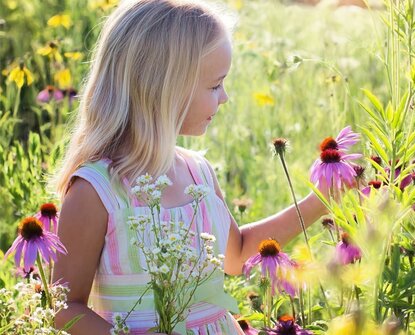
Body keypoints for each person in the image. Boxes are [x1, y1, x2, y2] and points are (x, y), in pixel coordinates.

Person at [51, 0, 330, 334]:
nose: (224, 97)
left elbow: (237, 255)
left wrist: (321, 199)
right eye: (214, 85)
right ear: (163, 88)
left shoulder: (198, 172)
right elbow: (65, 307)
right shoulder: (97, 190)